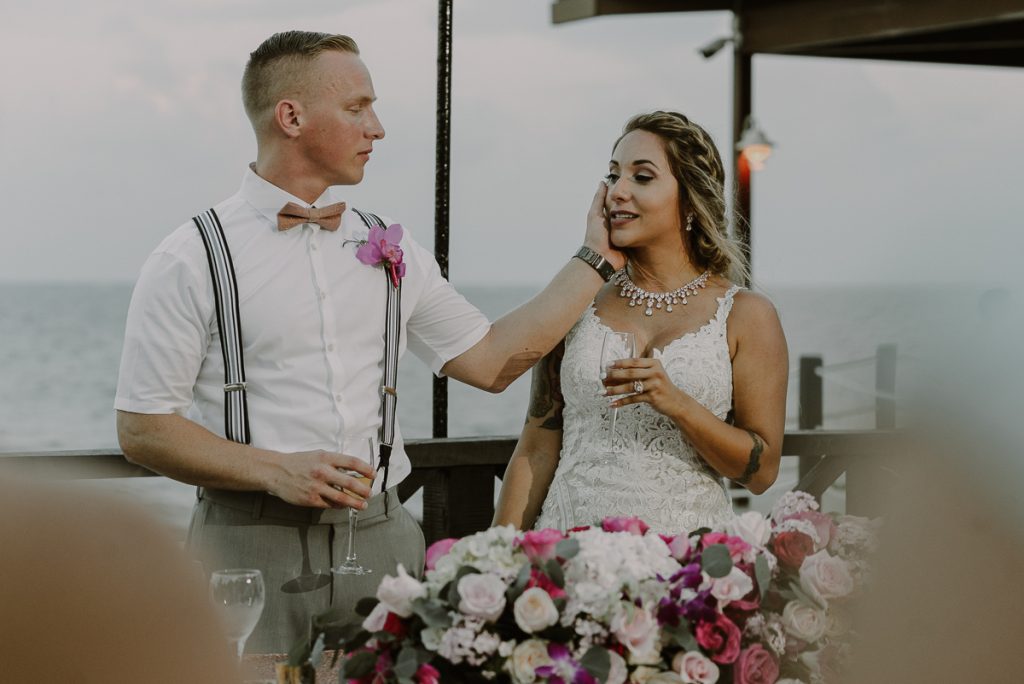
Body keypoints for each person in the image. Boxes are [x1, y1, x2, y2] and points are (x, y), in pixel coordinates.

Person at [114, 30, 623, 653]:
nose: (376, 128)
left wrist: (594, 259)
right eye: (357, 108)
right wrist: (274, 470)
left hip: (385, 538)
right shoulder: (190, 256)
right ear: (291, 116)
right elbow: (142, 426)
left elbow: (491, 362)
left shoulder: (391, 244)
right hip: (245, 548)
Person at [494, 111, 788, 535]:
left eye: (642, 177)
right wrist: (497, 554)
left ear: (689, 198)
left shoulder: (747, 315)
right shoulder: (578, 299)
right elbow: (538, 445)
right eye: (613, 176)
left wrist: (677, 402)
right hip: (567, 550)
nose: (618, 192)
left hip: (687, 566)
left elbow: (760, 474)